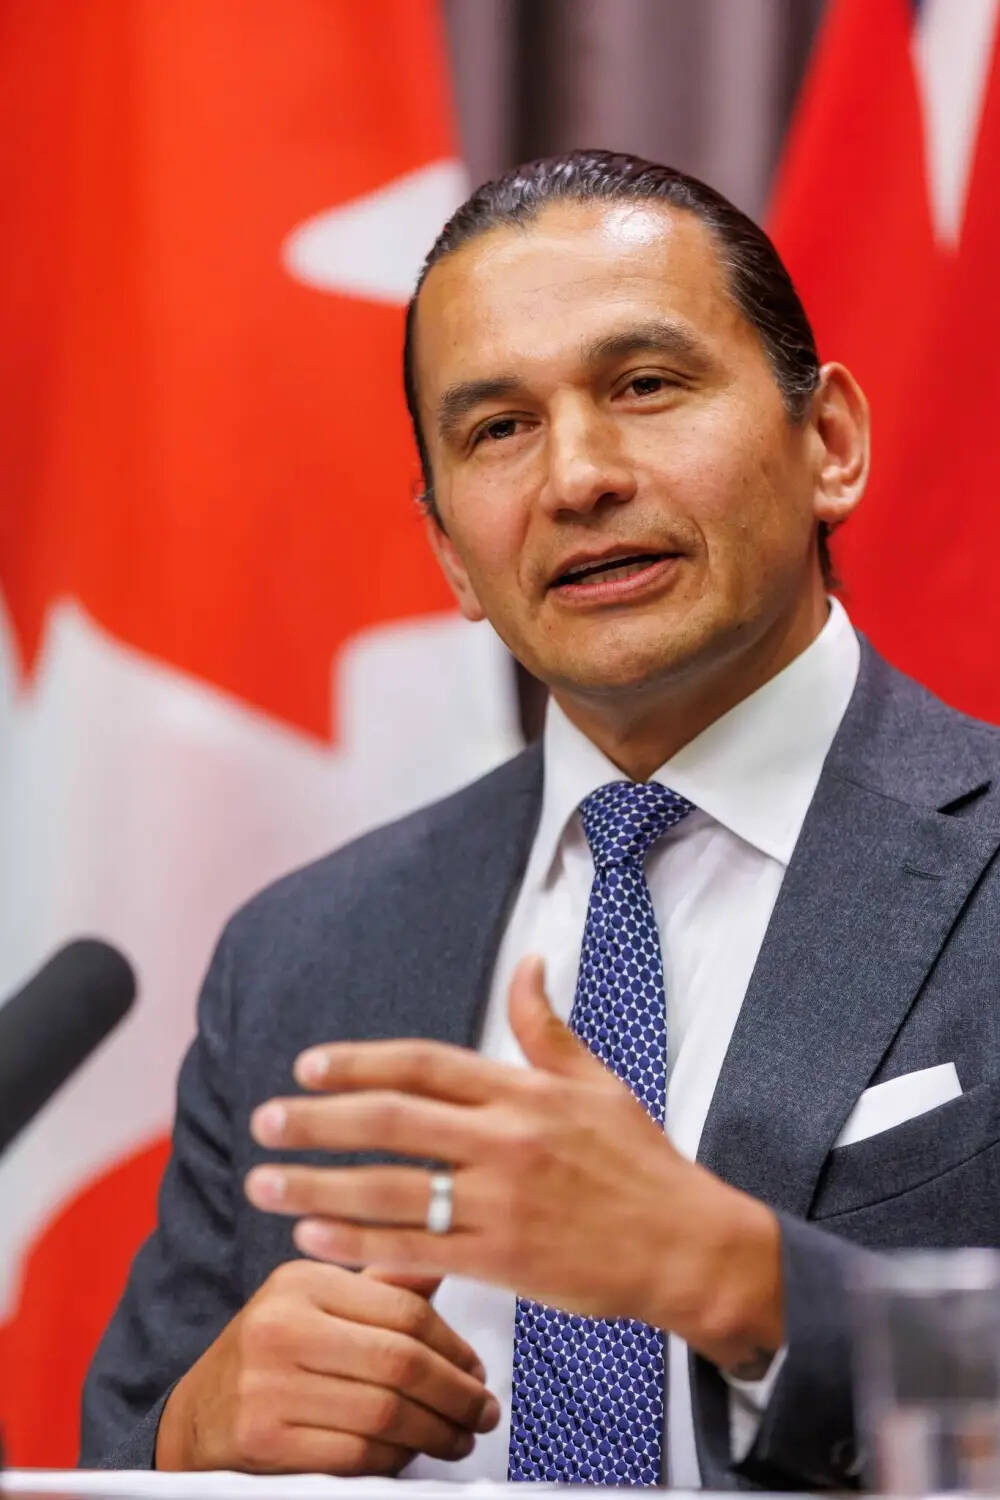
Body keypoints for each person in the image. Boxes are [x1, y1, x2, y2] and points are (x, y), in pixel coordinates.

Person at [81, 150, 1000, 1490]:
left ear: (831, 444)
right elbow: (119, 1451)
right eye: (499, 429)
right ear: (452, 554)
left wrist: (747, 1287)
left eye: (645, 385)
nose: (577, 476)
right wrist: (190, 1442)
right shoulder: (301, 956)